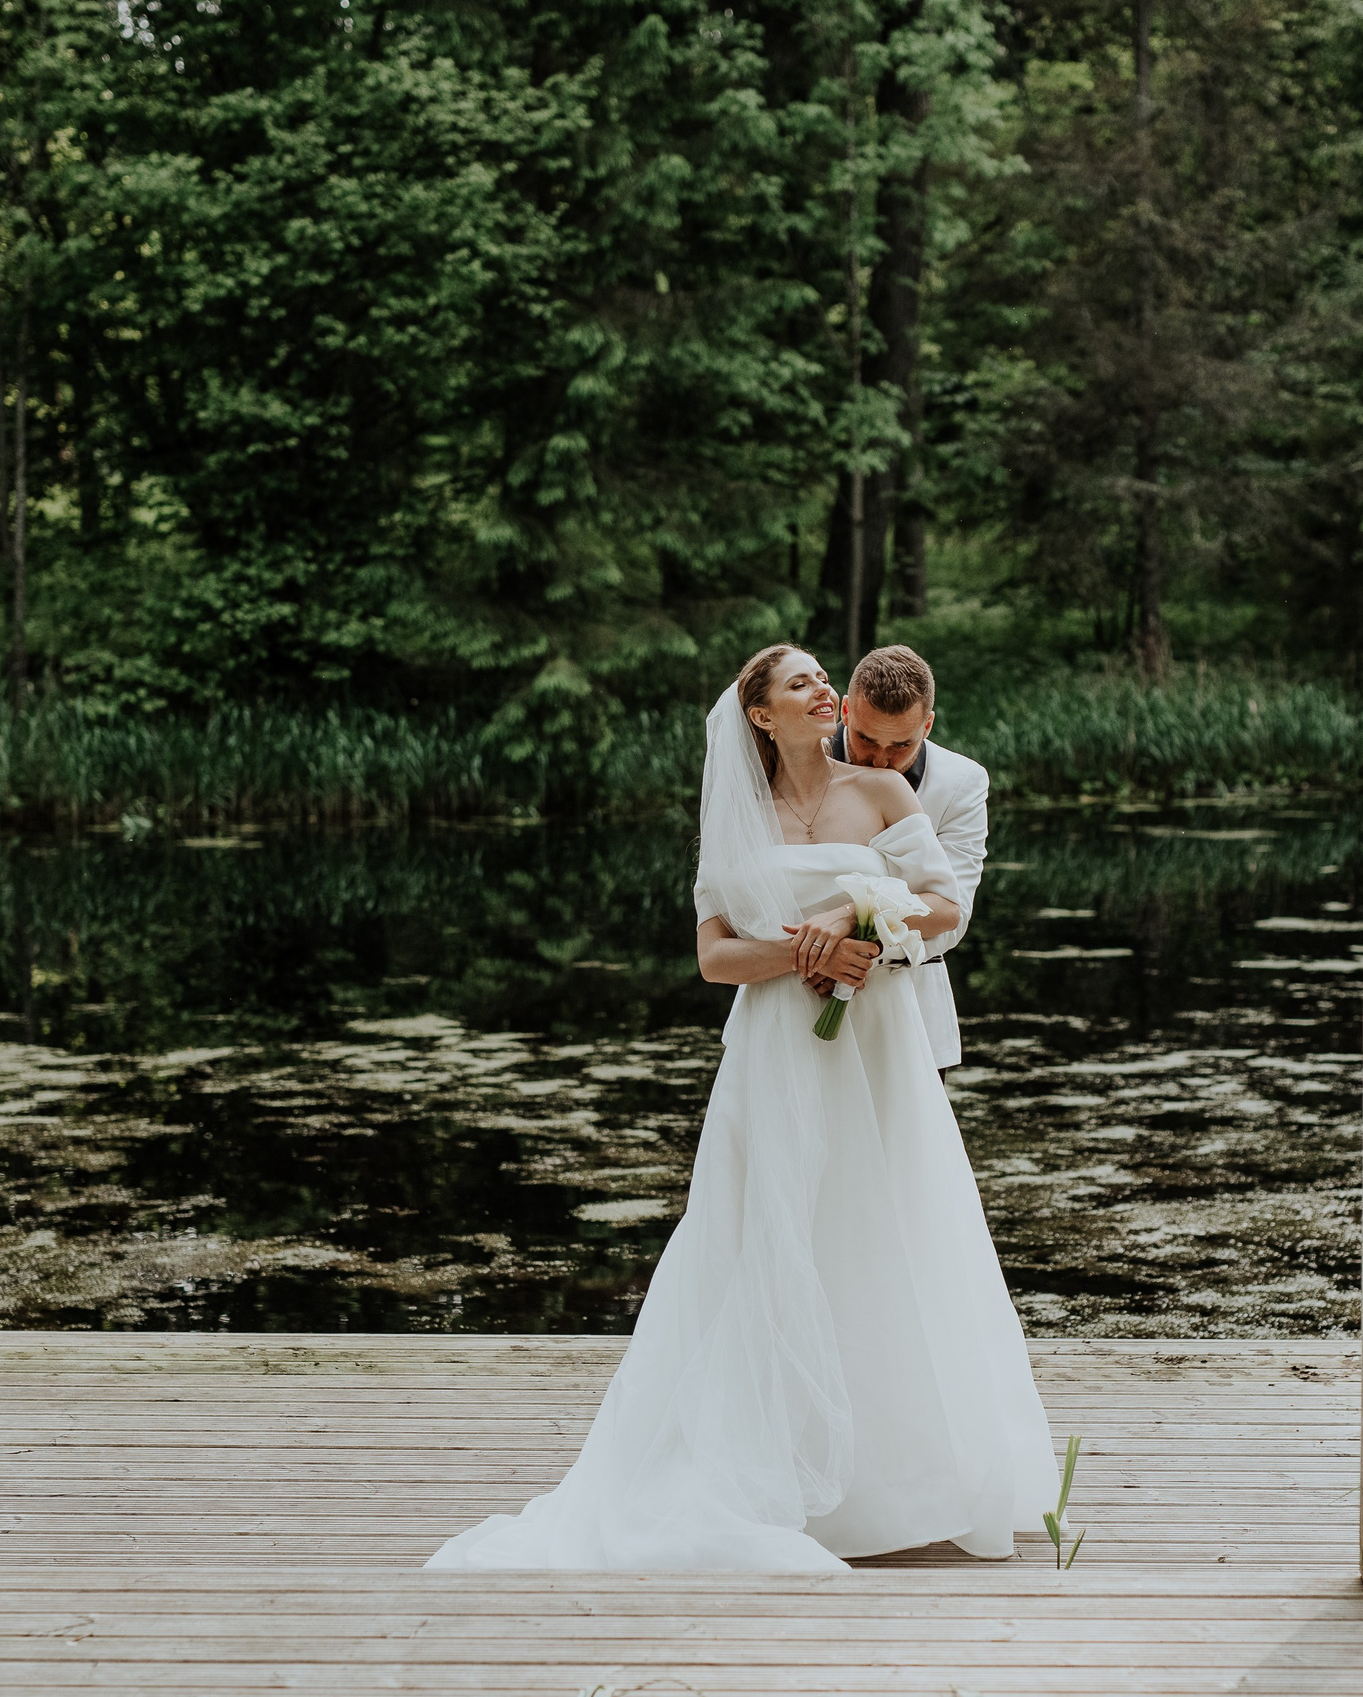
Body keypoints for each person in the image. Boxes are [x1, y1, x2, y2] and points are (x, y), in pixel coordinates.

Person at [424, 643, 1055, 1571]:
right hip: (771, 1052)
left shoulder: (882, 795)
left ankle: (908, 1473)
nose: (822, 690)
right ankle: (766, 1464)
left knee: (884, 1226)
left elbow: (946, 905)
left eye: (820, 679)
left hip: (875, 1043)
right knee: (770, 1229)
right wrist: (800, 954)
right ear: (759, 713)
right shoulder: (735, 819)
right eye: (800, 681)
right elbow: (715, 956)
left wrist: (857, 920)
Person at [788, 644, 987, 1070]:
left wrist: (853, 948)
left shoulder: (961, 783)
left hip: (912, 1016)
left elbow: (954, 914)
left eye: (901, 744)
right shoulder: (795, 766)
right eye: (865, 738)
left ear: (928, 725)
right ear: (845, 710)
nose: (880, 760)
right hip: (795, 1004)